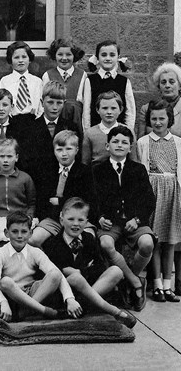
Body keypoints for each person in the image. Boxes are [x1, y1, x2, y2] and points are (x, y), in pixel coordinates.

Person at [43, 198, 136, 328]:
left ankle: (83, 305)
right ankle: (105, 308)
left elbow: (100, 266)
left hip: (90, 287)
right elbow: (52, 272)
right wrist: (69, 272)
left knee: (116, 271)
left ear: (86, 222)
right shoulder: (52, 243)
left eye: (80, 220)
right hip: (66, 292)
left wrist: (82, 271)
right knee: (75, 278)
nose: (76, 224)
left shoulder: (89, 239)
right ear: (61, 219)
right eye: (71, 219)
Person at [93, 126, 156, 312]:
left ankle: (127, 281)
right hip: (110, 222)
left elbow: (149, 200)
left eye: (124, 142)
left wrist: (137, 219)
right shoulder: (98, 170)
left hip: (133, 220)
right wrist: (99, 218)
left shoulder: (138, 169)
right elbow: (91, 198)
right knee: (105, 243)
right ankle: (136, 282)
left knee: (147, 243)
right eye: (115, 141)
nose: (119, 145)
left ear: (130, 147)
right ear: (107, 146)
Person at [0, 211, 81, 322]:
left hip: (32, 293)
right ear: (6, 233)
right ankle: (44, 311)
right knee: (5, 282)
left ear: (31, 233)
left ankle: (24, 312)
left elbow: (55, 272)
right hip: (11, 296)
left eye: (24, 232)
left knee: (55, 274)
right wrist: (3, 302)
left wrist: (70, 299)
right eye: (14, 232)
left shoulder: (35, 252)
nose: (20, 236)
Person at [137, 101, 181, 302]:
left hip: (173, 192)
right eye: (154, 118)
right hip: (152, 192)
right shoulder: (143, 142)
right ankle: (156, 285)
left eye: (162, 118)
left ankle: (167, 286)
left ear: (169, 119)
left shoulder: (178, 142)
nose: (158, 122)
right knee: (155, 240)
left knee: (170, 240)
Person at [29, 130, 97, 248]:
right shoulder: (48, 170)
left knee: (88, 239)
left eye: (68, 149)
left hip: (78, 218)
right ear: (54, 151)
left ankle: (83, 265)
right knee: (33, 239)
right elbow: (43, 199)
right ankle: (46, 264)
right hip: (54, 218)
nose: (64, 154)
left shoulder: (84, 171)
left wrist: (60, 201)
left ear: (76, 150)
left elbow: (85, 198)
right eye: (59, 150)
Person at [19, 81, 80, 179]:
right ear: (42, 102)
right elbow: (25, 160)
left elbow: (77, 157)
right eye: (50, 102)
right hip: (38, 180)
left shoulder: (71, 127)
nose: (55, 107)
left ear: (64, 103)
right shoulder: (29, 128)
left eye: (59, 103)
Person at [0, 138, 36, 247]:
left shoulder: (25, 178)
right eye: (2, 156)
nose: (5, 160)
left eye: (9, 156)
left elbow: (31, 203)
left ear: (16, 157)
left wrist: (29, 217)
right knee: (1, 244)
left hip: (21, 219)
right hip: (0, 220)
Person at [83, 40, 135, 132]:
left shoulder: (124, 81)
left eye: (112, 55)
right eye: (103, 55)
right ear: (97, 58)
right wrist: (87, 131)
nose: (107, 58)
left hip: (119, 133)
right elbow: (86, 110)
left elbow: (130, 110)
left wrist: (128, 131)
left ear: (118, 57)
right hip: (97, 131)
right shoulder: (90, 81)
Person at [82, 91, 139, 168]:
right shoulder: (90, 133)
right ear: (97, 110)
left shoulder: (128, 131)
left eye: (113, 108)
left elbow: (133, 160)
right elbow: (85, 162)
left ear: (120, 109)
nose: (109, 112)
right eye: (105, 108)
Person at [42, 38, 87, 133]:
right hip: (56, 118)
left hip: (76, 119)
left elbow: (85, 102)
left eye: (68, 54)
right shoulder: (48, 75)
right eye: (60, 54)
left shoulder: (82, 75)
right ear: (54, 55)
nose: (64, 58)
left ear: (74, 56)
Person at [136, 62, 181, 139]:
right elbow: (141, 140)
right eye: (163, 82)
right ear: (159, 86)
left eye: (171, 82)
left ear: (180, 85)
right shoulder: (146, 109)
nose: (167, 85)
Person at [0, 41, 43, 118]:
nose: (20, 60)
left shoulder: (37, 81)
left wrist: (37, 117)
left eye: (24, 57)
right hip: (13, 121)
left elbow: (41, 105)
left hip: (33, 120)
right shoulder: (5, 81)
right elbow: (3, 103)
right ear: (10, 60)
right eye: (16, 57)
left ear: (29, 59)